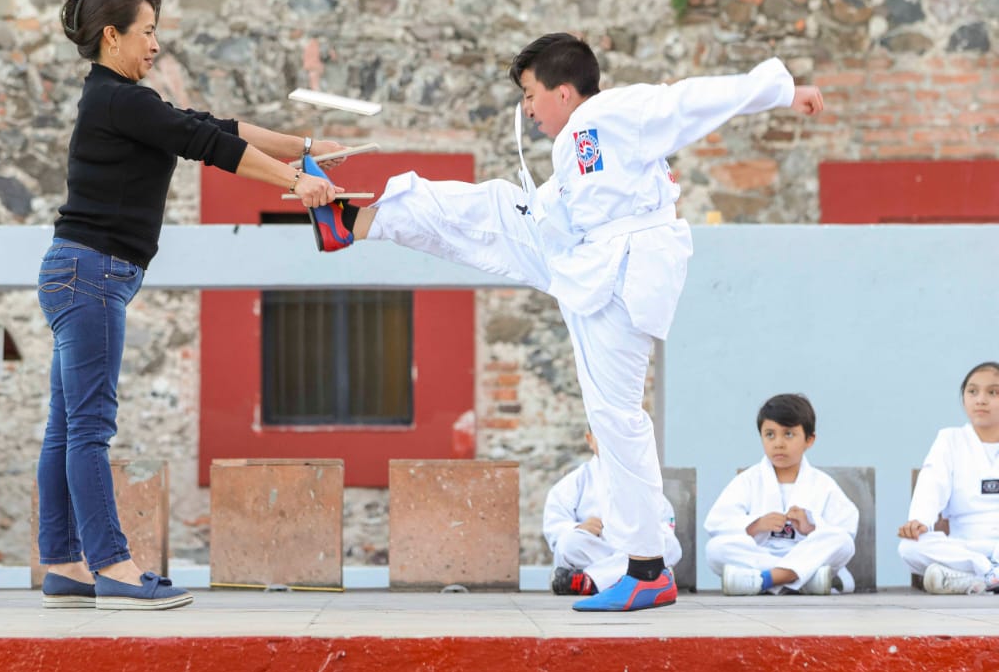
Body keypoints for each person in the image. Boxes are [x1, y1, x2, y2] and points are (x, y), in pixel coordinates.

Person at [306, 32, 825, 611]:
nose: (526, 109)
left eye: (529, 94)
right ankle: (355, 220)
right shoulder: (574, 148)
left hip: (622, 266)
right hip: (583, 254)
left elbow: (684, 101)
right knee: (489, 207)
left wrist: (779, 91)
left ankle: (648, 567)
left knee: (617, 418)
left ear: (563, 90)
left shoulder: (612, 112)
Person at [37, 0, 346, 610]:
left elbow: (211, 125)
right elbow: (210, 146)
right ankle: (113, 568)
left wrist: (309, 150)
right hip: (91, 274)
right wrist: (296, 181)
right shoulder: (121, 100)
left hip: (81, 272)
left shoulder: (119, 101)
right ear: (111, 36)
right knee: (88, 430)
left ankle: (65, 563)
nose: (155, 43)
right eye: (146, 31)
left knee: (67, 429)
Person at [704, 394, 858, 595]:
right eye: (770, 434)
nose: (778, 443)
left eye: (788, 434)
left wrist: (811, 527)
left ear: (809, 439)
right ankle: (803, 579)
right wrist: (756, 524)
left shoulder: (822, 484)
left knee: (843, 542)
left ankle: (767, 580)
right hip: (762, 554)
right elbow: (716, 524)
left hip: (803, 551)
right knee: (715, 549)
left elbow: (844, 528)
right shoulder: (748, 480)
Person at [897, 361, 999, 595]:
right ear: (963, 398)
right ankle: (989, 573)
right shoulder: (950, 440)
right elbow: (932, 483)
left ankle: (972, 580)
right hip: (965, 547)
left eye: (993, 392)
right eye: (972, 391)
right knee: (910, 548)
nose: (981, 399)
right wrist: (919, 520)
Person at [544, 429, 682, 596]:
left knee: (669, 544)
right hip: (596, 550)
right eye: (602, 436)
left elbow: (664, 519)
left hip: (633, 551)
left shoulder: (640, 478)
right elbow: (554, 526)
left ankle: (587, 581)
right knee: (567, 543)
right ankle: (641, 578)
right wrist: (579, 527)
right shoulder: (575, 482)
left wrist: (642, 533)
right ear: (589, 439)